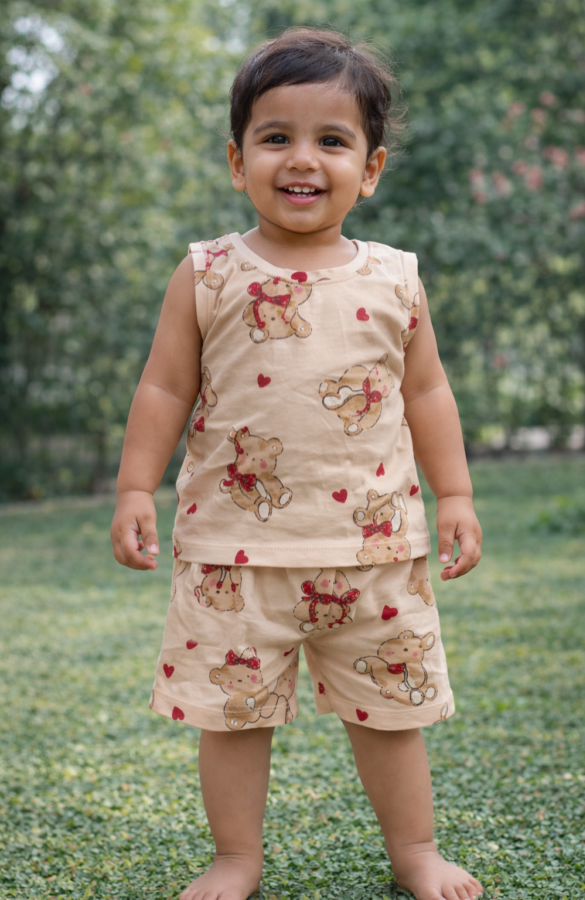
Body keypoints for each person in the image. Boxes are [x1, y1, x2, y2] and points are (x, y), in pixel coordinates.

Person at [110, 27, 484, 900]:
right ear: (237, 161)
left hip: (375, 552)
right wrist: (134, 487)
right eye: (276, 136)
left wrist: (456, 494)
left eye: (332, 140)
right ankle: (236, 857)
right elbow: (164, 388)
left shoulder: (395, 278)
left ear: (371, 168)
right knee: (234, 719)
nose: (302, 158)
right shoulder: (207, 273)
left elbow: (428, 393)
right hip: (233, 559)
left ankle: (416, 851)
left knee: (390, 716)